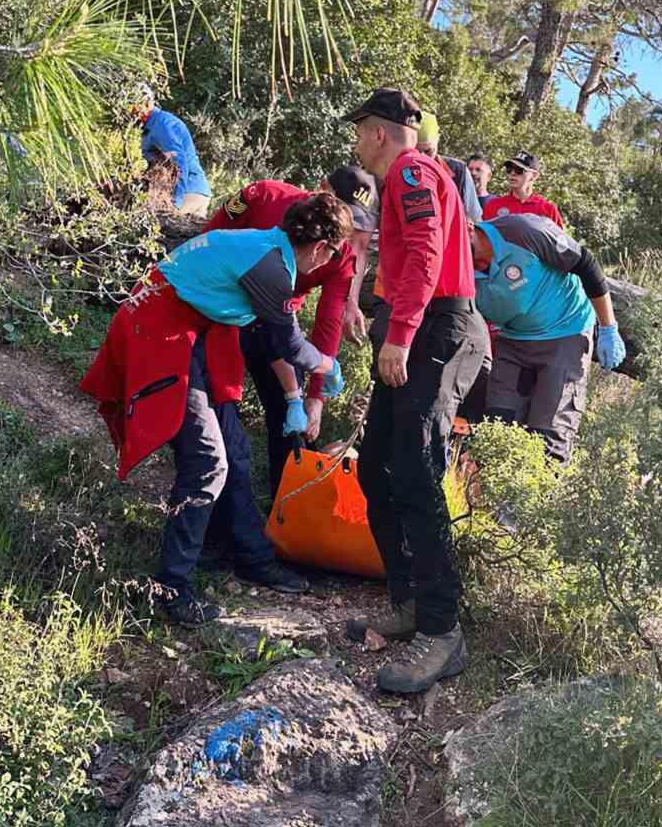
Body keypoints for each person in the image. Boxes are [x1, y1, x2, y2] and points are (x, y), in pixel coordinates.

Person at [80, 193, 348, 623]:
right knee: (208, 462)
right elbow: (289, 343)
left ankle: (232, 551)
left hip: (189, 334)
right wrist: (327, 366)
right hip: (160, 333)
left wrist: (297, 397)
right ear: (321, 248)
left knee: (233, 449)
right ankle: (171, 589)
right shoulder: (273, 267)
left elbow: (275, 338)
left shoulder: (264, 247)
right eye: (334, 254)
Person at [342, 87, 488, 695]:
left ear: (378, 133)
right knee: (376, 468)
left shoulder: (410, 169)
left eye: (359, 132)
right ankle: (406, 600)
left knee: (416, 470)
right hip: (415, 325)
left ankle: (441, 628)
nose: (355, 144)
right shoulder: (414, 174)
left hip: (437, 327)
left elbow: (430, 252)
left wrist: (399, 335)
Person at [201, 166, 379, 500]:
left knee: (291, 421)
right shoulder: (261, 195)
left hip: (280, 326)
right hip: (222, 314)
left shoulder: (341, 256)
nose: (343, 236)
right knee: (221, 411)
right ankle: (226, 507)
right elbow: (210, 238)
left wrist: (315, 397)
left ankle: (287, 512)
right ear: (321, 189)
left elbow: (327, 322)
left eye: (357, 226)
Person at [471, 213, 625, 460]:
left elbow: (585, 263)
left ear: (469, 228)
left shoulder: (522, 231)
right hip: (514, 341)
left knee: (550, 433)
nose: (472, 263)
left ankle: (543, 497)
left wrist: (608, 328)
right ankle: (501, 497)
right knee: (498, 427)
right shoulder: (455, 265)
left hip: (565, 333)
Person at [131, 84, 211, 215]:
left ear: (146, 103)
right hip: (192, 191)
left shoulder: (162, 125)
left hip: (190, 191)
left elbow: (180, 163)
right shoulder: (150, 126)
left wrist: (176, 202)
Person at [415, 111, 482, 221]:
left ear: (438, 139)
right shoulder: (397, 171)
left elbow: (476, 219)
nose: (423, 159)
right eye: (416, 151)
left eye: (428, 151)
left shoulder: (459, 171)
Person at [481, 150, 564, 226]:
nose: (512, 173)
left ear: (534, 176)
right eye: (509, 169)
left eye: (519, 170)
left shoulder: (548, 210)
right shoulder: (493, 206)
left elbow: (560, 241)